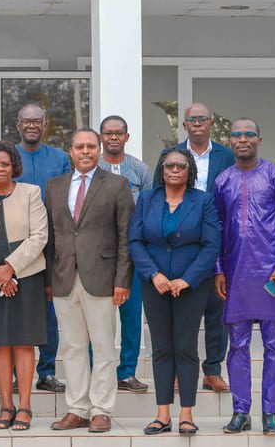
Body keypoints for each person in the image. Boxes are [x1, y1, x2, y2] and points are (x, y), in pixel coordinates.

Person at [213, 118, 275, 436]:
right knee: (237, 346)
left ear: (259, 139)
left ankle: (269, 412)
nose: (243, 139)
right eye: (236, 135)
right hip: (235, 274)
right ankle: (240, 411)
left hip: (272, 274)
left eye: (249, 134)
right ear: (230, 141)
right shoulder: (223, 180)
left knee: (273, 345)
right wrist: (219, 270)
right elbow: (217, 229)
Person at [45, 129, 134, 433]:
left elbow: (126, 237)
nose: (85, 151)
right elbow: (50, 237)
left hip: (103, 278)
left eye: (91, 146)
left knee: (104, 346)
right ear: (70, 151)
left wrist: (122, 279)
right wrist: (48, 279)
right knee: (72, 346)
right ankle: (78, 408)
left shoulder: (117, 185)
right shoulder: (54, 187)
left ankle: (101, 410)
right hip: (63, 277)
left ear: (98, 150)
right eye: (79, 147)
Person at [128, 148, 221, 437]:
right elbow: (135, 240)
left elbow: (211, 245)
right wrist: (153, 274)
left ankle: (187, 415)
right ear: (162, 169)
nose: (175, 170)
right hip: (154, 285)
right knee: (161, 349)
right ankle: (162, 414)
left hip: (190, 287)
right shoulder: (147, 199)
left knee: (186, 347)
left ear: (189, 170)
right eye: (169, 165)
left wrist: (187, 279)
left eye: (181, 166)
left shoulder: (203, 200)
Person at [0, 140, 48, 432]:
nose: (0, 169)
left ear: (13, 166)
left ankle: (26, 406)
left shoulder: (31, 193)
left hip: (26, 275)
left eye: (5, 164)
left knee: (24, 341)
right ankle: (6, 406)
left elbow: (40, 236)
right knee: (1, 342)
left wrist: (11, 268)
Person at [177, 102, 236, 394]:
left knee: (217, 309)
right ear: (185, 125)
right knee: (183, 314)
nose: (197, 123)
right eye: (192, 119)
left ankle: (212, 370)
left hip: (219, 245)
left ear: (211, 122)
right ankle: (178, 371)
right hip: (182, 245)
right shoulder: (174, 155)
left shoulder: (227, 156)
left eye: (202, 118)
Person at [14, 103, 70, 393]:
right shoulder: (8, 155)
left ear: (45, 124)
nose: (32, 125)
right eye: (27, 121)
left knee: (49, 310)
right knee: (14, 310)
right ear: (18, 125)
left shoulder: (59, 158)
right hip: (13, 246)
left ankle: (46, 371)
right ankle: (13, 374)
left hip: (52, 244)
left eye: (37, 121)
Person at [97, 116, 154, 394]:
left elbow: (149, 210)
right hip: (98, 254)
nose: (113, 138)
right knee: (98, 317)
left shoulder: (141, 170)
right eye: (108, 133)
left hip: (132, 252)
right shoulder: (91, 167)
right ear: (101, 137)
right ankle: (99, 371)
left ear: (127, 137)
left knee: (131, 316)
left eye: (119, 133)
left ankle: (127, 372)